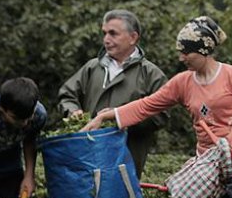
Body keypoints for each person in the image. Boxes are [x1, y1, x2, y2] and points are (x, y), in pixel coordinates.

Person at [81, 16, 232, 198]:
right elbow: (147, 105)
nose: (181, 58)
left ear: (203, 50)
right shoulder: (183, 82)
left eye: (186, 52)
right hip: (209, 164)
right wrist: (106, 116)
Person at [58, 9, 168, 178]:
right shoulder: (92, 67)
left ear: (133, 37)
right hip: (88, 156)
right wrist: (72, 111)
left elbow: (161, 115)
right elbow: (67, 95)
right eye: (104, 33)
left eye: (113, 34)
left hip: (126, 160)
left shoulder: (151, 74)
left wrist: (120, 119)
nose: (106, 40)